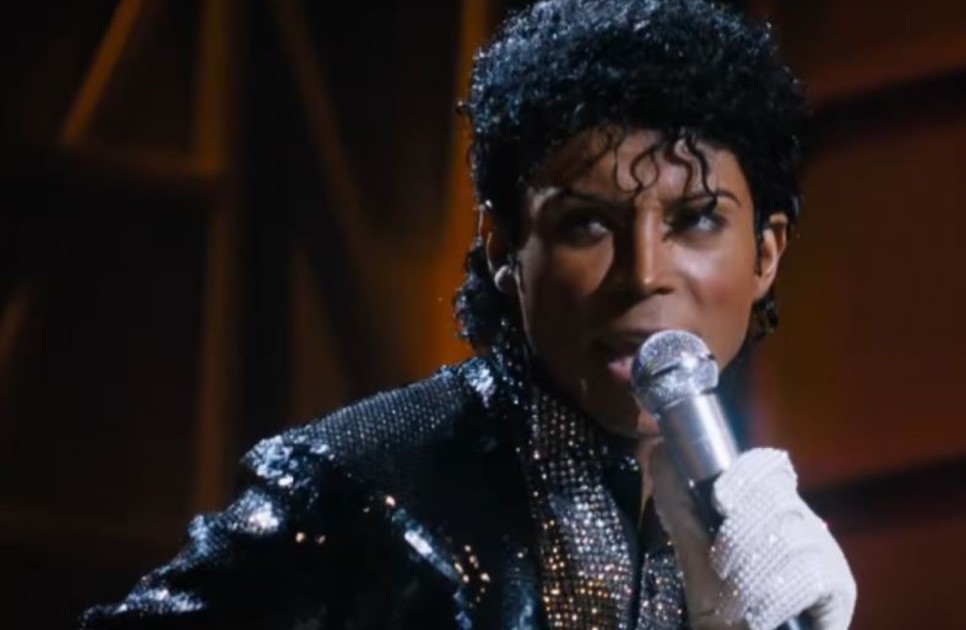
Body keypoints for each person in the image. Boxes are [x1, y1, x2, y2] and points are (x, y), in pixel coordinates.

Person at [81, 0, 856, 628]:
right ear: (503, 246)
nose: (645, 274)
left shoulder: (747, 536)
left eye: (695, 220)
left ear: (766, 255)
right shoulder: (359, 488)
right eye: (588, 224)